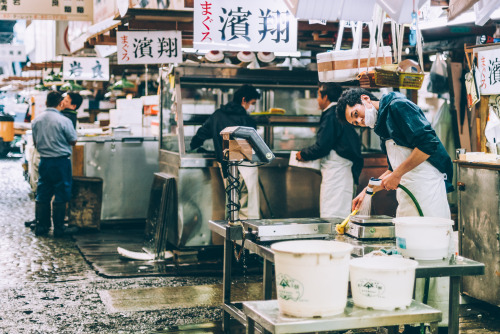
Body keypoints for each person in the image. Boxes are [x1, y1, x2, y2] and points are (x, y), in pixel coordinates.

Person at [336, 88, 453, 332]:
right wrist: (369, 190)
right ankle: (414, 318)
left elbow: (428, 144)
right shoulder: (381, 125)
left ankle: (438, 321)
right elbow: (395, 167)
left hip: (427, 192)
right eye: (355, 122)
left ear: (365, 99)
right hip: (409, 194)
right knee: (409, 255)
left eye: (356, 114)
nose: (359, 121)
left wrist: (398, 174)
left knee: (431, 256)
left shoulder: (398, 106)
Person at [190, 84, 261, 219]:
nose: (253, 107)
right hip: (246, 168)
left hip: (226, 168)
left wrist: (192, 147)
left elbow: (200, 135)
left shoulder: (217, 115)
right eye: (252, 103)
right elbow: (252, 148)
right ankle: (245, 236)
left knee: (232, 205)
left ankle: (232, 235)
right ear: (243, 100)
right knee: (246, 206)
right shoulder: (248, 120)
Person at [296, 83, 363, 218]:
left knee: (334, 214)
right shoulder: (337, 113)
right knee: (338, 211)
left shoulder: (331, 114)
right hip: (339, 171)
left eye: (318, 96)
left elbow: (322, 146)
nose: (317, 100)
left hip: (338, 172)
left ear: (325, 97)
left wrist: (303, 154)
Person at [24, 91, 82, 229]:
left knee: (43, 192)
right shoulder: (64, 120)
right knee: (61, 193)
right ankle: (59, 228)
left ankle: (42, 226)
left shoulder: (37, 120)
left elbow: (36, 142)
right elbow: (73, 141)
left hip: (44, 161)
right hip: (61, 162)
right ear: (60, 103)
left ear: (46, 103)